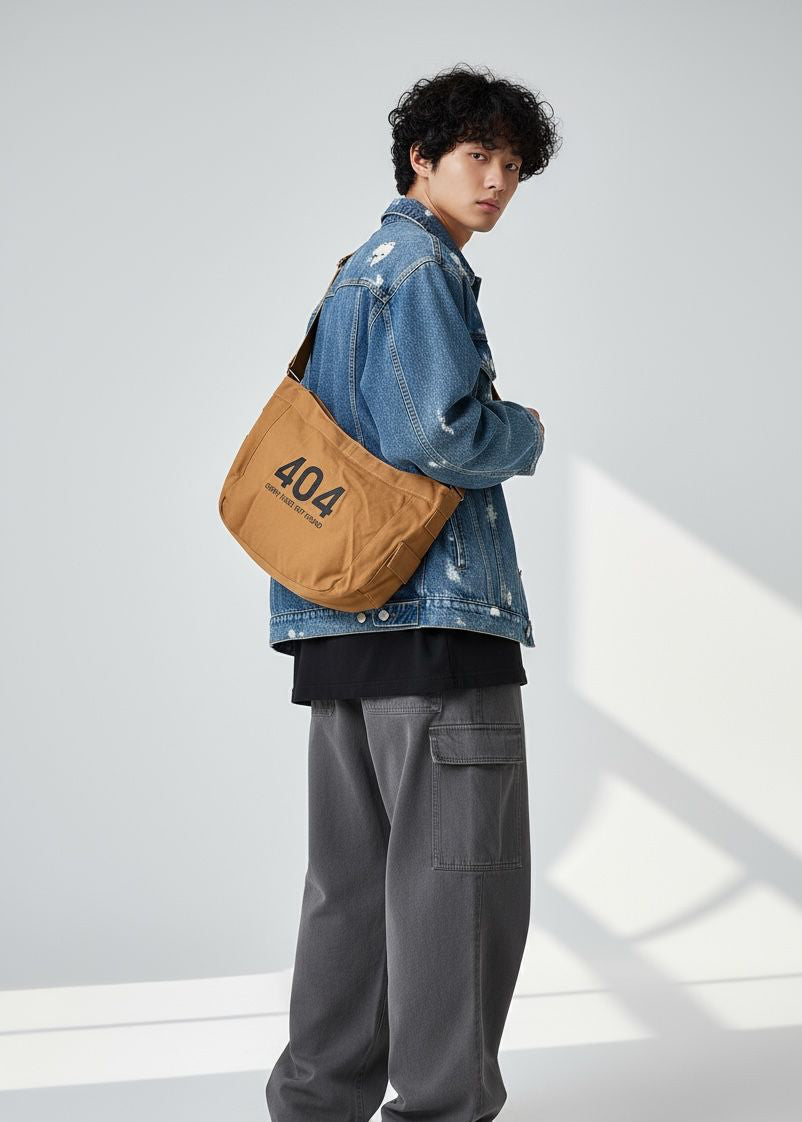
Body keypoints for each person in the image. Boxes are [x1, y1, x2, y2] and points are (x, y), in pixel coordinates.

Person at [266, 62, 561, 1121]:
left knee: (349, 892)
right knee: (458, 894)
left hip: (341, 629)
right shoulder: (424, 268)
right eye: (477, 156)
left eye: (512, 165)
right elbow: (443, 434)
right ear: (420, 159)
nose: (496, 182)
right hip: (435, 629)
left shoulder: (356, 269)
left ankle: (316, 1107)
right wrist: (523, 431)